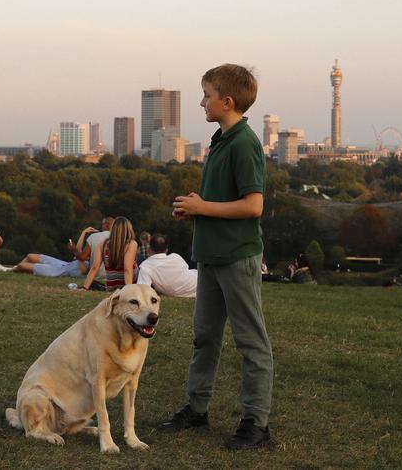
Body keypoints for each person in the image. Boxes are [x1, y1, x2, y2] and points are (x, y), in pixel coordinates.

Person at [163, 63, 273, 450]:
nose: (202, 102)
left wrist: (203, 207)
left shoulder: (245, 143)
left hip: (237, 257)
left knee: (250, 342)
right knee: (205, 338)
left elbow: (253, 206)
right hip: (209, 256)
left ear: (227, 101)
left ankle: (256, 424)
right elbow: (219, 202)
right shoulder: (221, 138)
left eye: (207, 95)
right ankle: (197, 409)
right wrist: (195, 208)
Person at [13, 222, 107, 277]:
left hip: (60, 271)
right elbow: (79, 253)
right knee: (30, 256)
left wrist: (74, 250)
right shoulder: (90, 253)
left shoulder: (95, 257)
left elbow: (79, 255)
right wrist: (84, 232)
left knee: (22, 265)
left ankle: (11, 271)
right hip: (64, 265)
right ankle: (13, 270)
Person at [82, 217, 137, 291]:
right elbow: (127, 269)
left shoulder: (102, 244)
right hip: (129, 285)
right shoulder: (131, 244)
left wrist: (85, 288)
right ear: (128, 229)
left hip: (111, 287)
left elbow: (94, 267)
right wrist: (128, 291)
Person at [136, 233, 197, 298]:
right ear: (166, 250)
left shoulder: (146, 267)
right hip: (197, 284)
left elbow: (142, 289)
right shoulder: (176, 257)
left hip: (195, 285)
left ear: (149, 249)